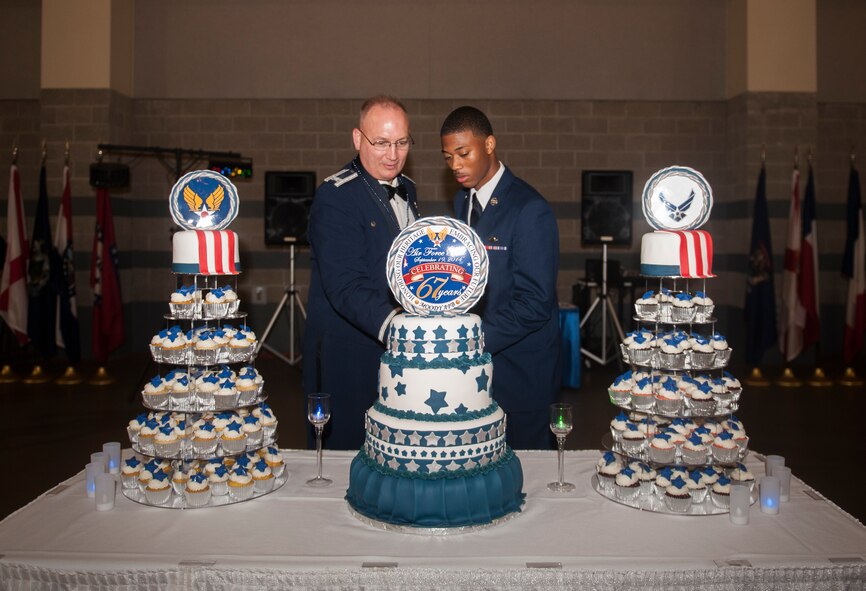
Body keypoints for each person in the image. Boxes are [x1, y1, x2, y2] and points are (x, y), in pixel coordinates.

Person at [440, 105, 561, 450]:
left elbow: (535, 303)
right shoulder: (462, 200)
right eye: (448, 158)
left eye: (464, 153)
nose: (456, 166)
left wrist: (468, 341)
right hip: (476, 374)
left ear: (489, 144)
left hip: (520, 371)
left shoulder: (529, 209)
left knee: (527, 479)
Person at [303, 95, 418, 449]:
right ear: (357, 139)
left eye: (401, 142)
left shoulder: (408, 189)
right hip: (347, 353)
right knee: (346, 459)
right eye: (381, 143)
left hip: (392, 353)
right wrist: (400, 327)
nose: (393, 154)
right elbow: (344, 286)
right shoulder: (335, 196)